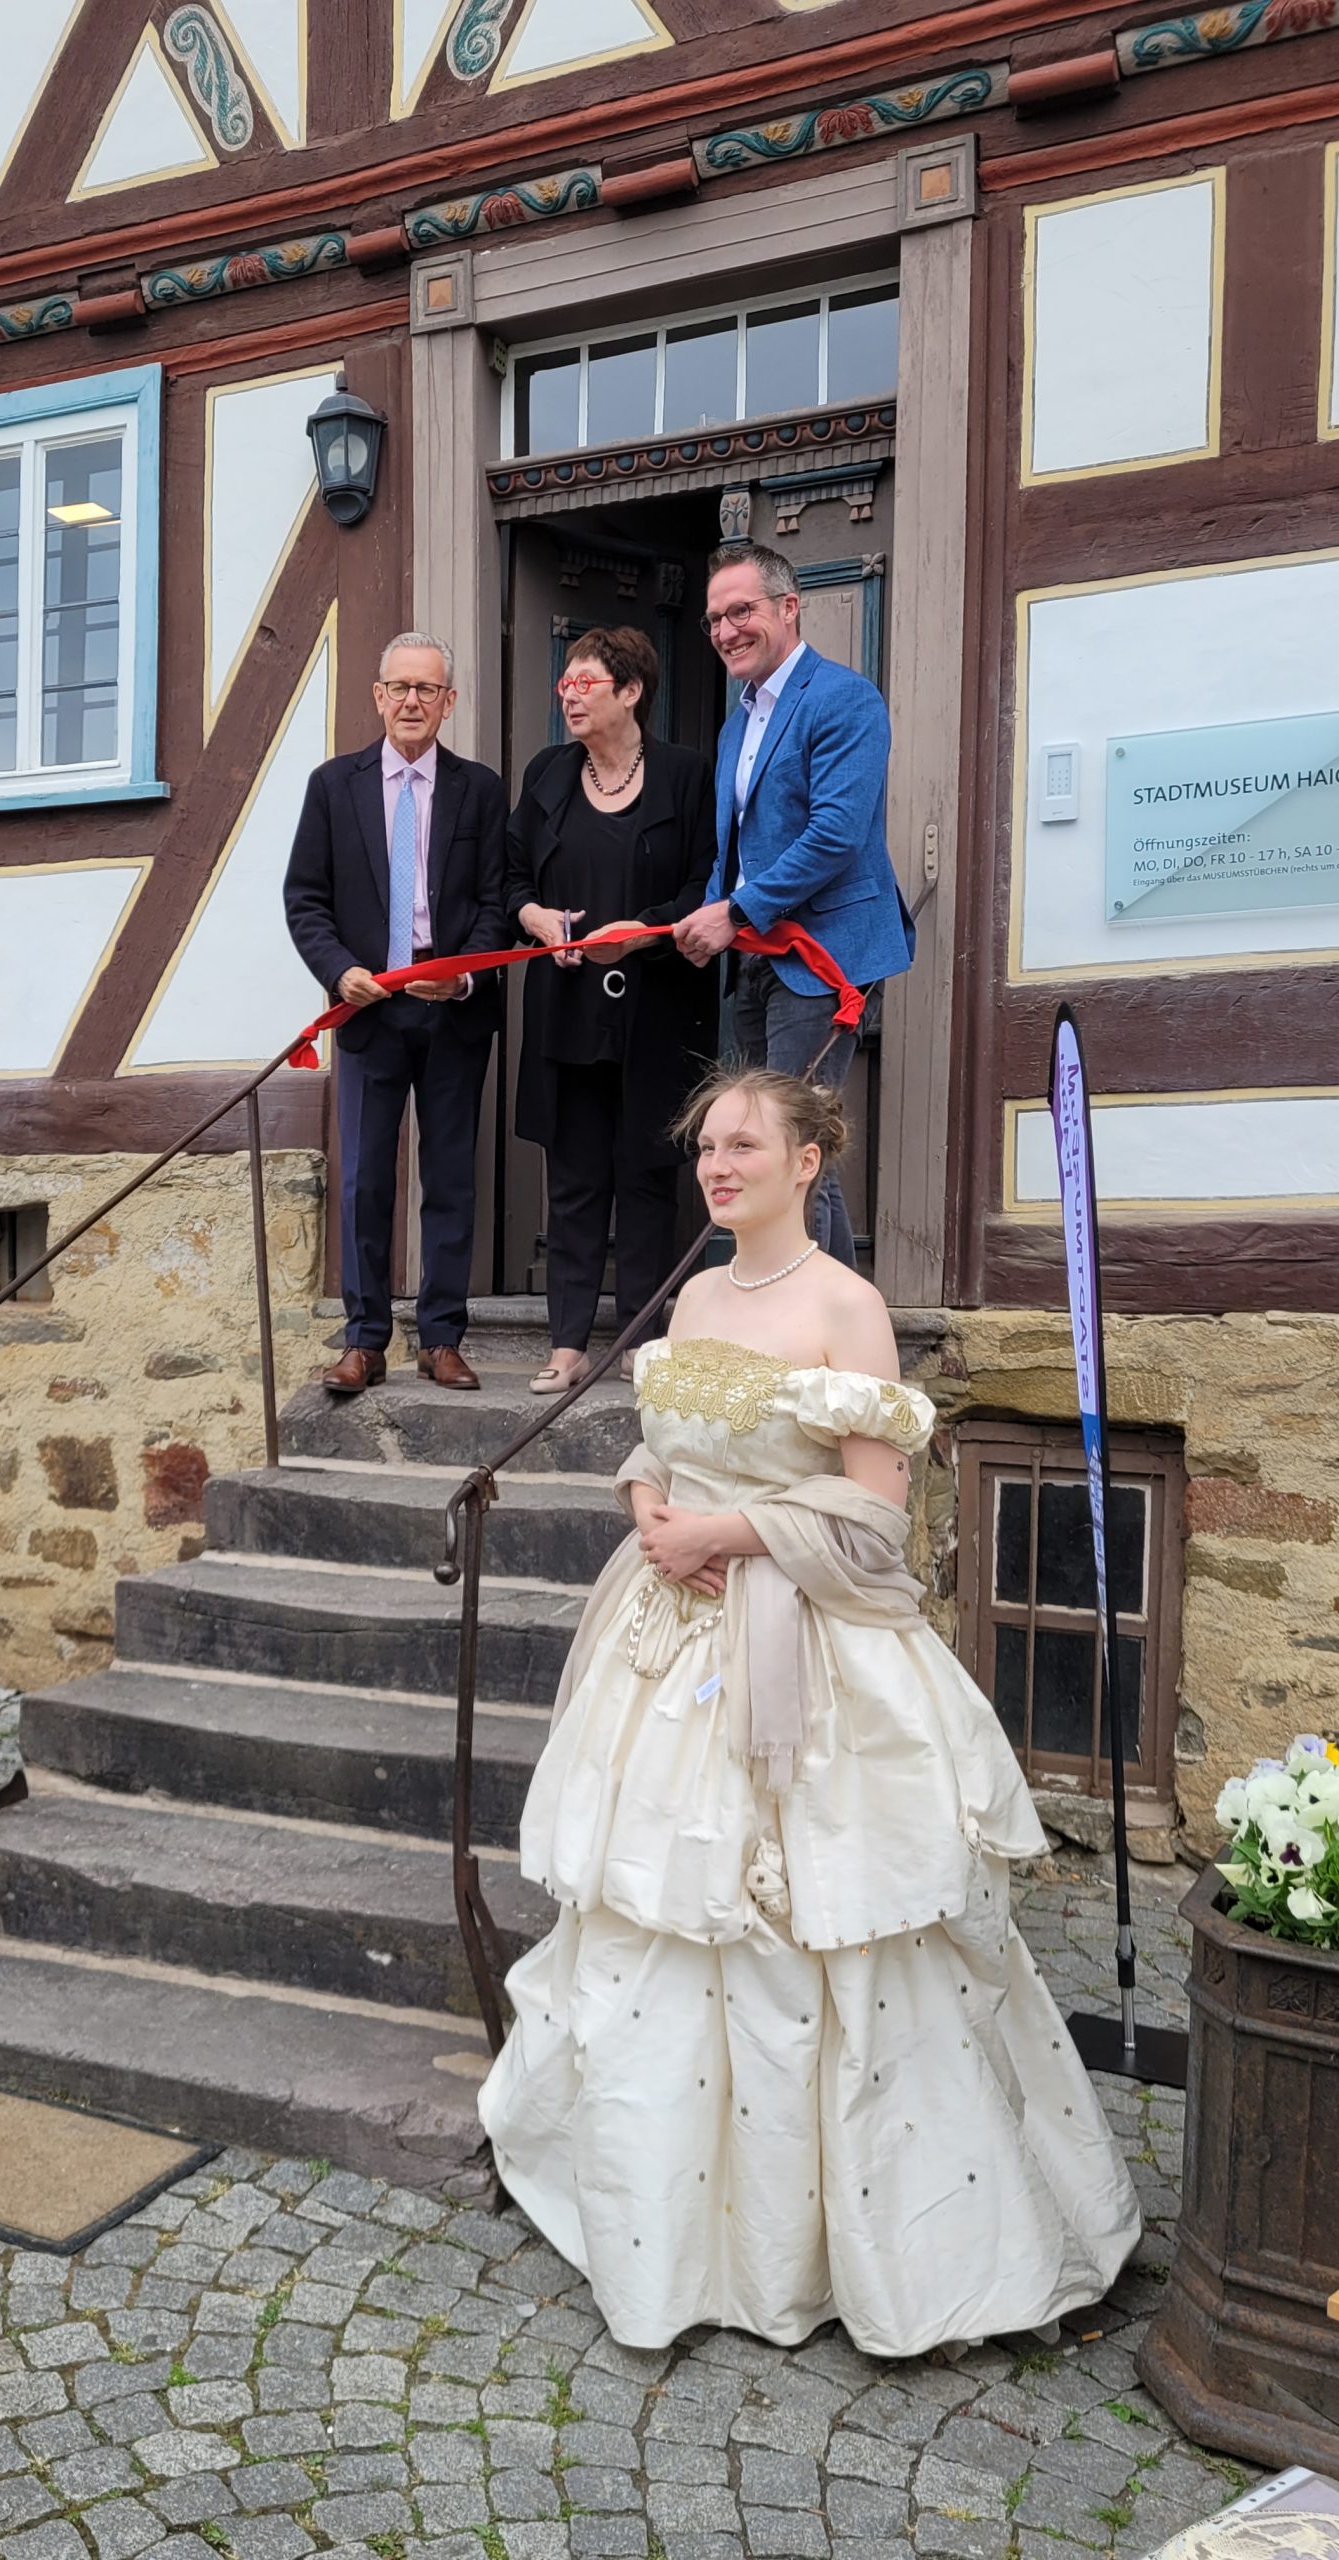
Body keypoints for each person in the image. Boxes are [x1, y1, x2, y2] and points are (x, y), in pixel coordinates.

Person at [479, 1065, 1141, 2355]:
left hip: (804, 1654)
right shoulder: (701, 1293)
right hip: (668, 1636)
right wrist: (650, 1513)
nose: (718, 1165)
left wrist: (727, 1530)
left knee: (813, 1922)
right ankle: (660, 2212)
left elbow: (877, 1516)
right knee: (656, 1911)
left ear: (808, 1161)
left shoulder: (849, 1307)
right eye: (707, 1146)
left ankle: (853, 2242)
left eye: (743, 1145)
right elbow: (657, 1445)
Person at [674, 543, 914, 1267]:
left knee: (797, 1149)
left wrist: (734, 912)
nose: (725, 631)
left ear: (788, 607)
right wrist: (712, 912)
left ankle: (831, 1347)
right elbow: (738, 846)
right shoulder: (737, 720)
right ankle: (792, 1324)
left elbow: (835, 835)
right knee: (772, 1149)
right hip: (755, 961)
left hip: (822, 960)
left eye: (740, 611)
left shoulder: (844, 699)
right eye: (714, 618)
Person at [284, 632, 508, 1396]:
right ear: (378, 697)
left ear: (449, 703)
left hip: (450, 1016)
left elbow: (492, 903)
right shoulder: (331, 786)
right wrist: (338, 971)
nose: (413, 701)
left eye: (428, 690)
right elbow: (305, 899)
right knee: (365, 1182)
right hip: (371, 1013)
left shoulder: (480, 789)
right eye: (400, 688)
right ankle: (366, 1338)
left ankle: (442, 1337)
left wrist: (466, 977)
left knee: (449, 1177)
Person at [507, 627, 713, 1395]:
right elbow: (509, 877)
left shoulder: (687, 777)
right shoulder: (549, 774)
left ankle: (638, 1338)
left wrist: (641, 934)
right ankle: (567, 1345)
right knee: (574, 1178)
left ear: (630, 691)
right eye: (565, 681)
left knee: (648, 1175)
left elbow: (704, 885)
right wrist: (532, 917)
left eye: (585, 681)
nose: (569, 693)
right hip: (567, 1007)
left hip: (657, 1006)